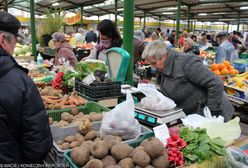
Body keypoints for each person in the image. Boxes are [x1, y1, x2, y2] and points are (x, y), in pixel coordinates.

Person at [0, 11, 52, 163]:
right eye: (15, 42)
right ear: (3, 40)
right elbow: (38, 144)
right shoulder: (20, 82)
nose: (15, 47)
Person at [142, 40, 234, 121]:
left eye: (154, 63)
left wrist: (212, 113)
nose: (153, 67)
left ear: (164, 55)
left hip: (215, 115)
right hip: (193, 117)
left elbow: (215, 83)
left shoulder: (186, 62)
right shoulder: (162, 69)